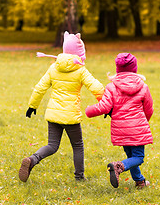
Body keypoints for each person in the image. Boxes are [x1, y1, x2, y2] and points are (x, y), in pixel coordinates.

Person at [19, 31, 104, 182]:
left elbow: (40, 88)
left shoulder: (54, 67)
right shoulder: (80, 70)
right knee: (77, 145)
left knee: (52, 145)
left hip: (53, 114)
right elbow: (96, 88)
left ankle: (32, 159)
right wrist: (105, 105)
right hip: (71, 116)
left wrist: (33, 105)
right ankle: (79, 177)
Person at [85, 53, 153, 189]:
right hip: (138, 128)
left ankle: (140, 181)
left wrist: (89, 110)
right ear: (135, 69)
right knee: (138, 158)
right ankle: (119, 166)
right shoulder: (143, 87)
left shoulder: (111, 87)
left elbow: (104, 107)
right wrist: (144, 122)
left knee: (131, 156)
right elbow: (149, 109)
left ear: (117, 69)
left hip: (121, 129)